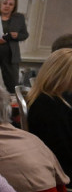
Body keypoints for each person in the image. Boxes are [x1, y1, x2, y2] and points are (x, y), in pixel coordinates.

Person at [27, 48, 72, 178]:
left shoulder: (52, 99)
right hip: (61, 171)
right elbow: (62, 150)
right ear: (63, 75)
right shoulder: (48, 105)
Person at [0, 0, 29, 93]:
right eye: (5, 3)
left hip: (10, 54)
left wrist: (17, 36)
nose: (7, 6)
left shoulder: (18, 17)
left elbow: (25, 34)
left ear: (14, 7)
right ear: (0, 4)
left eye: (11, 4)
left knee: (12, 83)